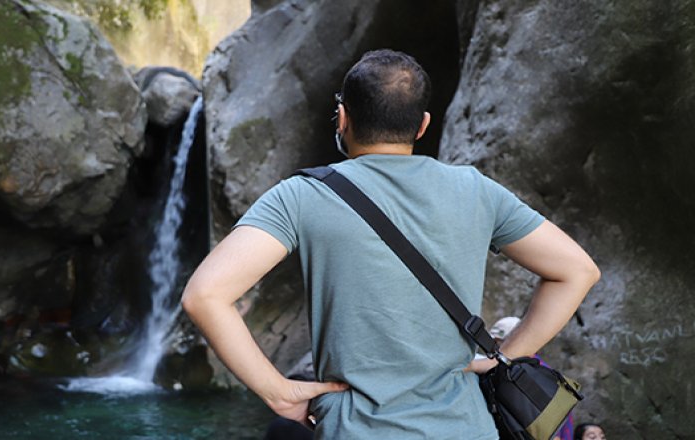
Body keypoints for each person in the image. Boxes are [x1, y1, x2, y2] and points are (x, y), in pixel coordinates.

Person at [182, 49, 600, 438]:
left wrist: (277, 392)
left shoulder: (301, 196)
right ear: (423, 125)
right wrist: (502, 358)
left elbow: (205, 296)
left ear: (342, 118)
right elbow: (577, 271)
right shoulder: (476, 190)